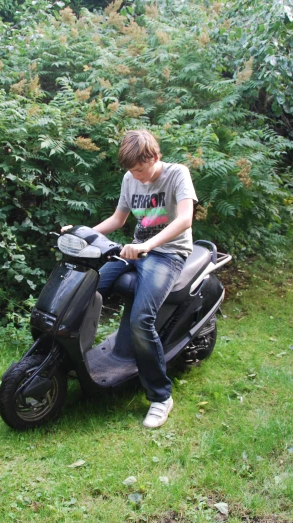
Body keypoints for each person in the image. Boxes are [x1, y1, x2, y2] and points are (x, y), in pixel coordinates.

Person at [66, 130, 197, 428]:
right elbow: (118, 220)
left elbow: (185, 218)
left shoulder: (177, 174)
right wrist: (83, 235)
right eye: (130, 170)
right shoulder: (129, 179)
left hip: (167, 255)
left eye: (140, 169)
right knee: (84, 287)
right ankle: (75, 358)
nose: (135, 176)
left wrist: (148, 245)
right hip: (134, 252)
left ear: (155, 157)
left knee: (141, 320)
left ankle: (161, 397)